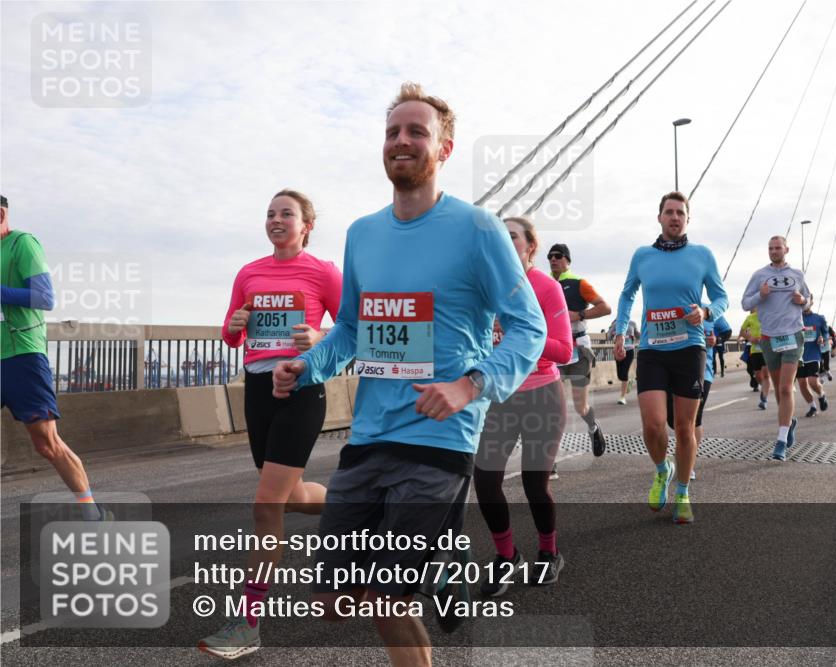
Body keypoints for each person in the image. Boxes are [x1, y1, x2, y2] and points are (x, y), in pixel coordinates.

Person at [272, 83, 545, 667]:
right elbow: (349, 329)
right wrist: (308, 365)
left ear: (443, 149)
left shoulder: (477, 229)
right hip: (369, 435)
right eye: (394, 132)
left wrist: (470, 384)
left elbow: (530, 328)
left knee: (387, 599)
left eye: (417, 132)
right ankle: (442, 571)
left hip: (439, 438)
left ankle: (430, 571)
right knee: (333, 599)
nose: (402, 141)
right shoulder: (362, 234)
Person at [199, 190, 343, 659]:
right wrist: (236, 322)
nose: (276, 220)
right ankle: (362, 506)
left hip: (301, 387)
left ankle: (248, 622)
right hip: (258, 390)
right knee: (292, 497)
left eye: (287, 214)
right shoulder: (249, 272)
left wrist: (318, 335)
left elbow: (352, 328)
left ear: (307, 225)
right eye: (270, 214)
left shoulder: (323, 272)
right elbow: (229, 333)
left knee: (265, 506)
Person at [614, 191, 728, 523]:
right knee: (652, 425)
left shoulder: (702, 255)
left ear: (688, 219)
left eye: (680, 212)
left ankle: (682, 493)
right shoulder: (642, 256)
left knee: (684, 427)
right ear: (660, 217)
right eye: (669, 212)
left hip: (690, 347)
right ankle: (662, 470)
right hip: (652, 349)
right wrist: (621, 331)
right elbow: (626, 293)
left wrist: (707, 311)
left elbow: (721, 297)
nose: (675, 217)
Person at [474, 216, 573, 596]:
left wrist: (524, 336)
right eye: (500, 236)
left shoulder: (546, 287)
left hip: (541, 396)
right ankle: (507, 556)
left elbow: (564, 351)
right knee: (485, 481)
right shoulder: (486, 286)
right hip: (498, 396)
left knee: (535, 484)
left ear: (531, 246)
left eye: (512, 236)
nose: (505, 242)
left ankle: (549, 552)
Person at [0, 195, 109, 521]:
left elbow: (45, 297)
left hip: (22, 355)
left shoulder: (23, 244)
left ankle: (92, 513)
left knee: (47, 444)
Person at [741, 235, 810, 461]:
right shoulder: (760, 276)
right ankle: (788, 422)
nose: (774, 251)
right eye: (770, 248)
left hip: (792, 334)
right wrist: (760, 295)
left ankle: (780, 442)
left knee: (784, 388)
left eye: (778, 248)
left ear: (786, 249)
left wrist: (803, 302)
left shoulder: (797, 275)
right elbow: (745, 304)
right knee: (781, 388)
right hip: (769, 338)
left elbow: (808, 300)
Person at [548, 244, 611, 455]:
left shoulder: (579, 283)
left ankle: (593, 428)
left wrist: (580, 315)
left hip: (578, 351)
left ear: (567, 260)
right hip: (553, 352)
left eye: (557, 256)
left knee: (580, 406)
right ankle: (550, 462)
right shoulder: (544, 284)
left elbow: (605, 307)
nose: (553, 259)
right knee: (551, 407)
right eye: (550, 256)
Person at [667, 305, 731, 481]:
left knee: (693, 418)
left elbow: (727, 331)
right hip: (673, 369)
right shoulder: (673, 305)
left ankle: (689, 463)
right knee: (674, 421)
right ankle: (683, 452)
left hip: (703, 371)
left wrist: (716, 340)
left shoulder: (709, 309)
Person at [798, 305, 829, 417]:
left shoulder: (819, 318)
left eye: (807, 300)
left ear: (811, 302)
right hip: (798, 355)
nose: (804, 304)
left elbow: (826, 332)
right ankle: (813, 407)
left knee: (812, 382)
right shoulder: (795, 317)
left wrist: (823, 338)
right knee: (802, 384)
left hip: (813, 354)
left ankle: (821, 395)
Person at [740, 308, 770, 407]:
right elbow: (742, 331)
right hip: (755, 351)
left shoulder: (769, 315)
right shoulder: (750, 318)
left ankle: (764, 399)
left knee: (766, 374)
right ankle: (765, 387)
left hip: (767, 349)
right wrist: (750, 338)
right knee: (757, 376)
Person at [616, 319, 639, 405]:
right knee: (620, 375)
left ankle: (622, 397)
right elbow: (609, 335)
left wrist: (637, 336)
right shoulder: (615, 323)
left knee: (624, 372)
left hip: (629, 350)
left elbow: (638, 335)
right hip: (618, 350)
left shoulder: (632, 323)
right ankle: (629, 381)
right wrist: (614, 334)